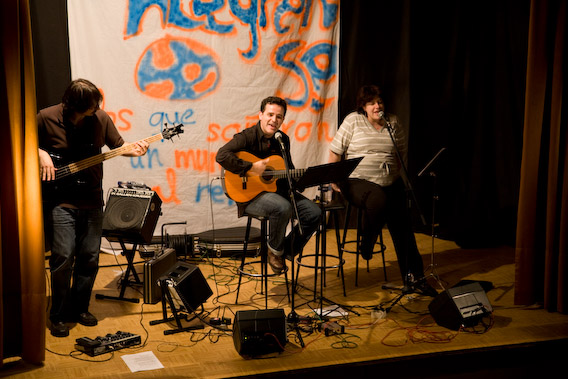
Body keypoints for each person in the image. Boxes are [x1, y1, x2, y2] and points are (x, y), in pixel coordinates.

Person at [38, 78, 149, 337]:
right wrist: (40, 153)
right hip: (60, 200)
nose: (95, 110)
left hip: (91, 199)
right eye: (90, 106)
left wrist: (139, 150)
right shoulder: (46, 117)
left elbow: (119, 147)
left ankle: (80, 308)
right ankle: (58, 314)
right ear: (74, 105)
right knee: (63, 257)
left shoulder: (100, 119)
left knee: (89, 257)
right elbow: (21, 141)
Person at [329, 85, 437, 297]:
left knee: (403, 226)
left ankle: (415, 277)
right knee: (377, 199)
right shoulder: (353, 121)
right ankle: (367, 241)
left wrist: (394, 178)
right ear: (363, 106)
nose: (377, 106)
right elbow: (335, 151)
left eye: (380, 102)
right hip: (357, 181)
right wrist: (335, 178)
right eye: (372, 103)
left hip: (389, 181)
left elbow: (400, 155)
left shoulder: (393, 122)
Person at [216, 96, 321, 274]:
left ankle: (282, 251)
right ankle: (275, 250)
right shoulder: (247, 137)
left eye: (279, 117)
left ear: (282, 120)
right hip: (250, 197)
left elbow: (288, 169)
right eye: (270, 114)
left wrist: (303, 180)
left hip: (278, 191)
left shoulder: (282, 140)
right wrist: (250, 167)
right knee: (282, 207)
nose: (274, 120)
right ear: (261, 115)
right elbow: (222, 155)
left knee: (314, 213)